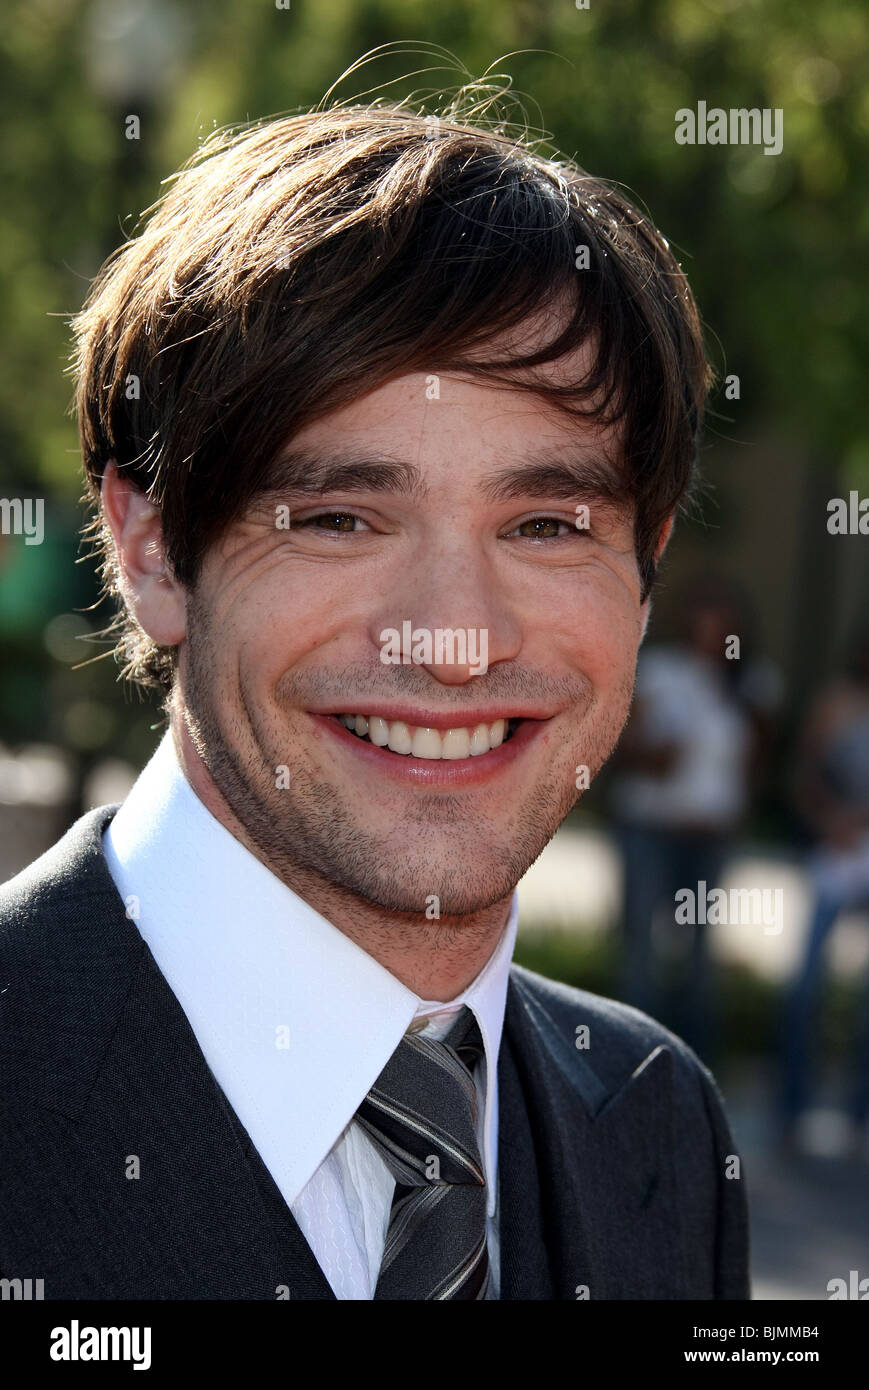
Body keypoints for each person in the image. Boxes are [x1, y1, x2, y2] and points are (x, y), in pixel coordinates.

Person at [0, 91, 749, 1299]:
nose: (455, 638)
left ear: (645, 568)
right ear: (148, 553)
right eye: (340, 518)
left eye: (547, 524)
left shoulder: (657, 1125)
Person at [608, 580, 781, 1062]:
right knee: (641, 952)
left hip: (710, 834)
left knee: (699, 961)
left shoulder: (753, 683)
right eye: (704, 616)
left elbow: (760, 764)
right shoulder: (659, 670)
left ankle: (690, 1066)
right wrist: (655, 757)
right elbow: (622, 749)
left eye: (721, 618)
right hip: (651, 828)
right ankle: (630, 1058)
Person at [780, 631, 869, 1150]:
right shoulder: (835, 704)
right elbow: (805, 775)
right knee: (807, 987)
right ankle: (792, 1108)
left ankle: (859, 1116)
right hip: (835, 854)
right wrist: (829, 821)